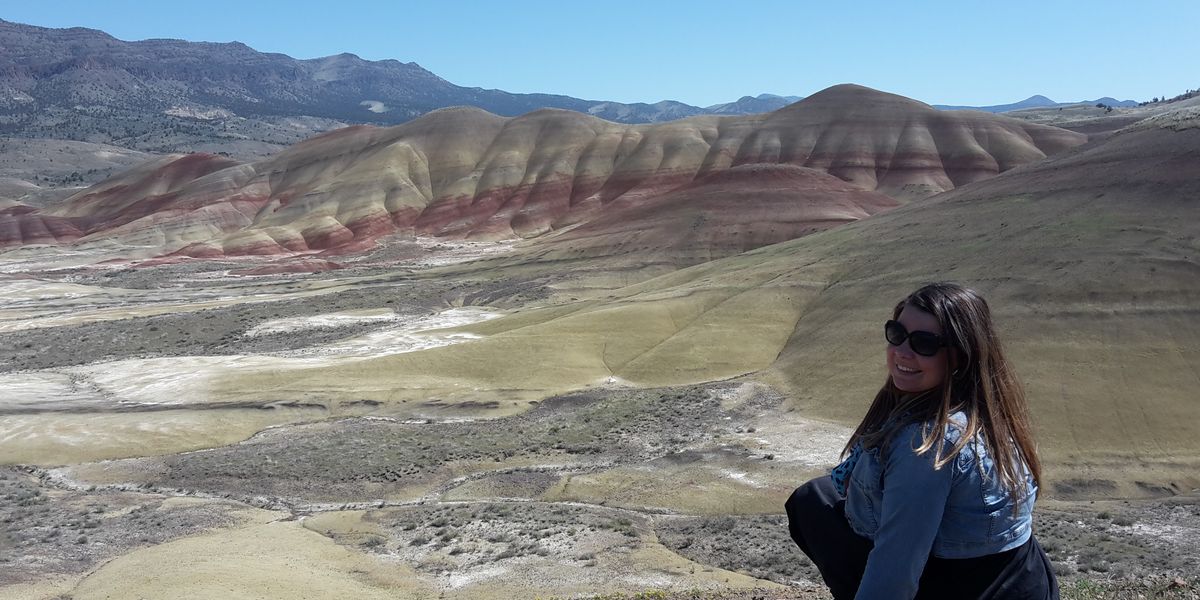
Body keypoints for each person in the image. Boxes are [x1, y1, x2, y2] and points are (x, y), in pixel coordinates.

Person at [785, 283, 1058, 599]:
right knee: (817, 497)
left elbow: (896, 568)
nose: (902, 351)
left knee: (813, 507)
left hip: (966, 587)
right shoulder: (989, 408)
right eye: (896, 333)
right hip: (1024, 580)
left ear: (960, 356)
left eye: (924, 343)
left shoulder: (927, 446)